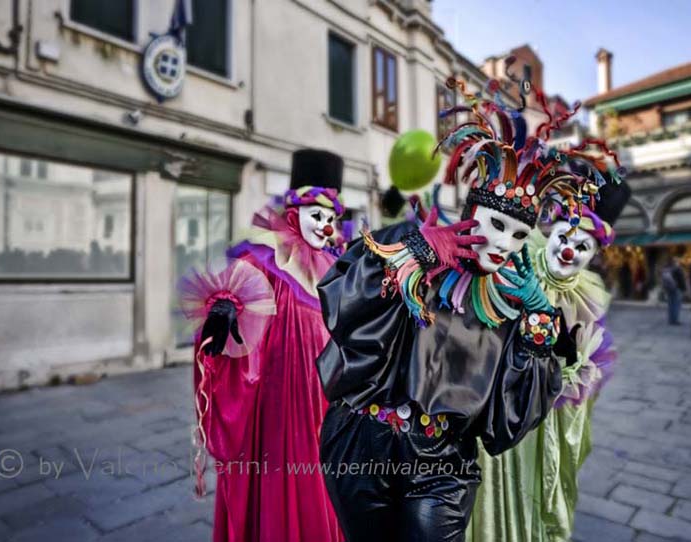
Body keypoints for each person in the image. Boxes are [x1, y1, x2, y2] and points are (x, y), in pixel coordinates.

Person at [315, 78, 577, 542]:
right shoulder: (410, 245)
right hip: (360, 442)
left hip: (442, 462)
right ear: (471, 212)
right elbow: (345, 302)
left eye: (518, 235)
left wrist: (540, 321)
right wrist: (417, 251)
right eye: (496, 224)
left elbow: (510, 414)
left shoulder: (509, 298)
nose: (503, 243)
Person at [180, 149, 346, 542]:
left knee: (325, 480)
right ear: (293, 212)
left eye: (331, 217)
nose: (324, 225)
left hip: (327, 401)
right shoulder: (266, 258)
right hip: (281, 404)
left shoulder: (337, 266)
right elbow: (237, 287)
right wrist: (225, 307)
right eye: (316, 214)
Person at [467, 147, 630, 542]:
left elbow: (582, 366)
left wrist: (562, 362)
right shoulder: (515, 263)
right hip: (497, 413)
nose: (570, 250)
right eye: (565, 236)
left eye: (584, 246)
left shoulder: (590, 296)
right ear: (551, 231)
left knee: (534, 502)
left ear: (594, 255)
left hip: (545, 422)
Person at [661, 257, 687, 325]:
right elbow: (682, 280)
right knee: (676, 305)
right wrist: (684, 289)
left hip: (669, 288)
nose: (679, 263)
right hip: (677, 288)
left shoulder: (666, 268)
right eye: (678, 261)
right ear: (676, 262)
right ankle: (675, 320)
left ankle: (670, 319)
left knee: (670, 305)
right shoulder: (678, 269)